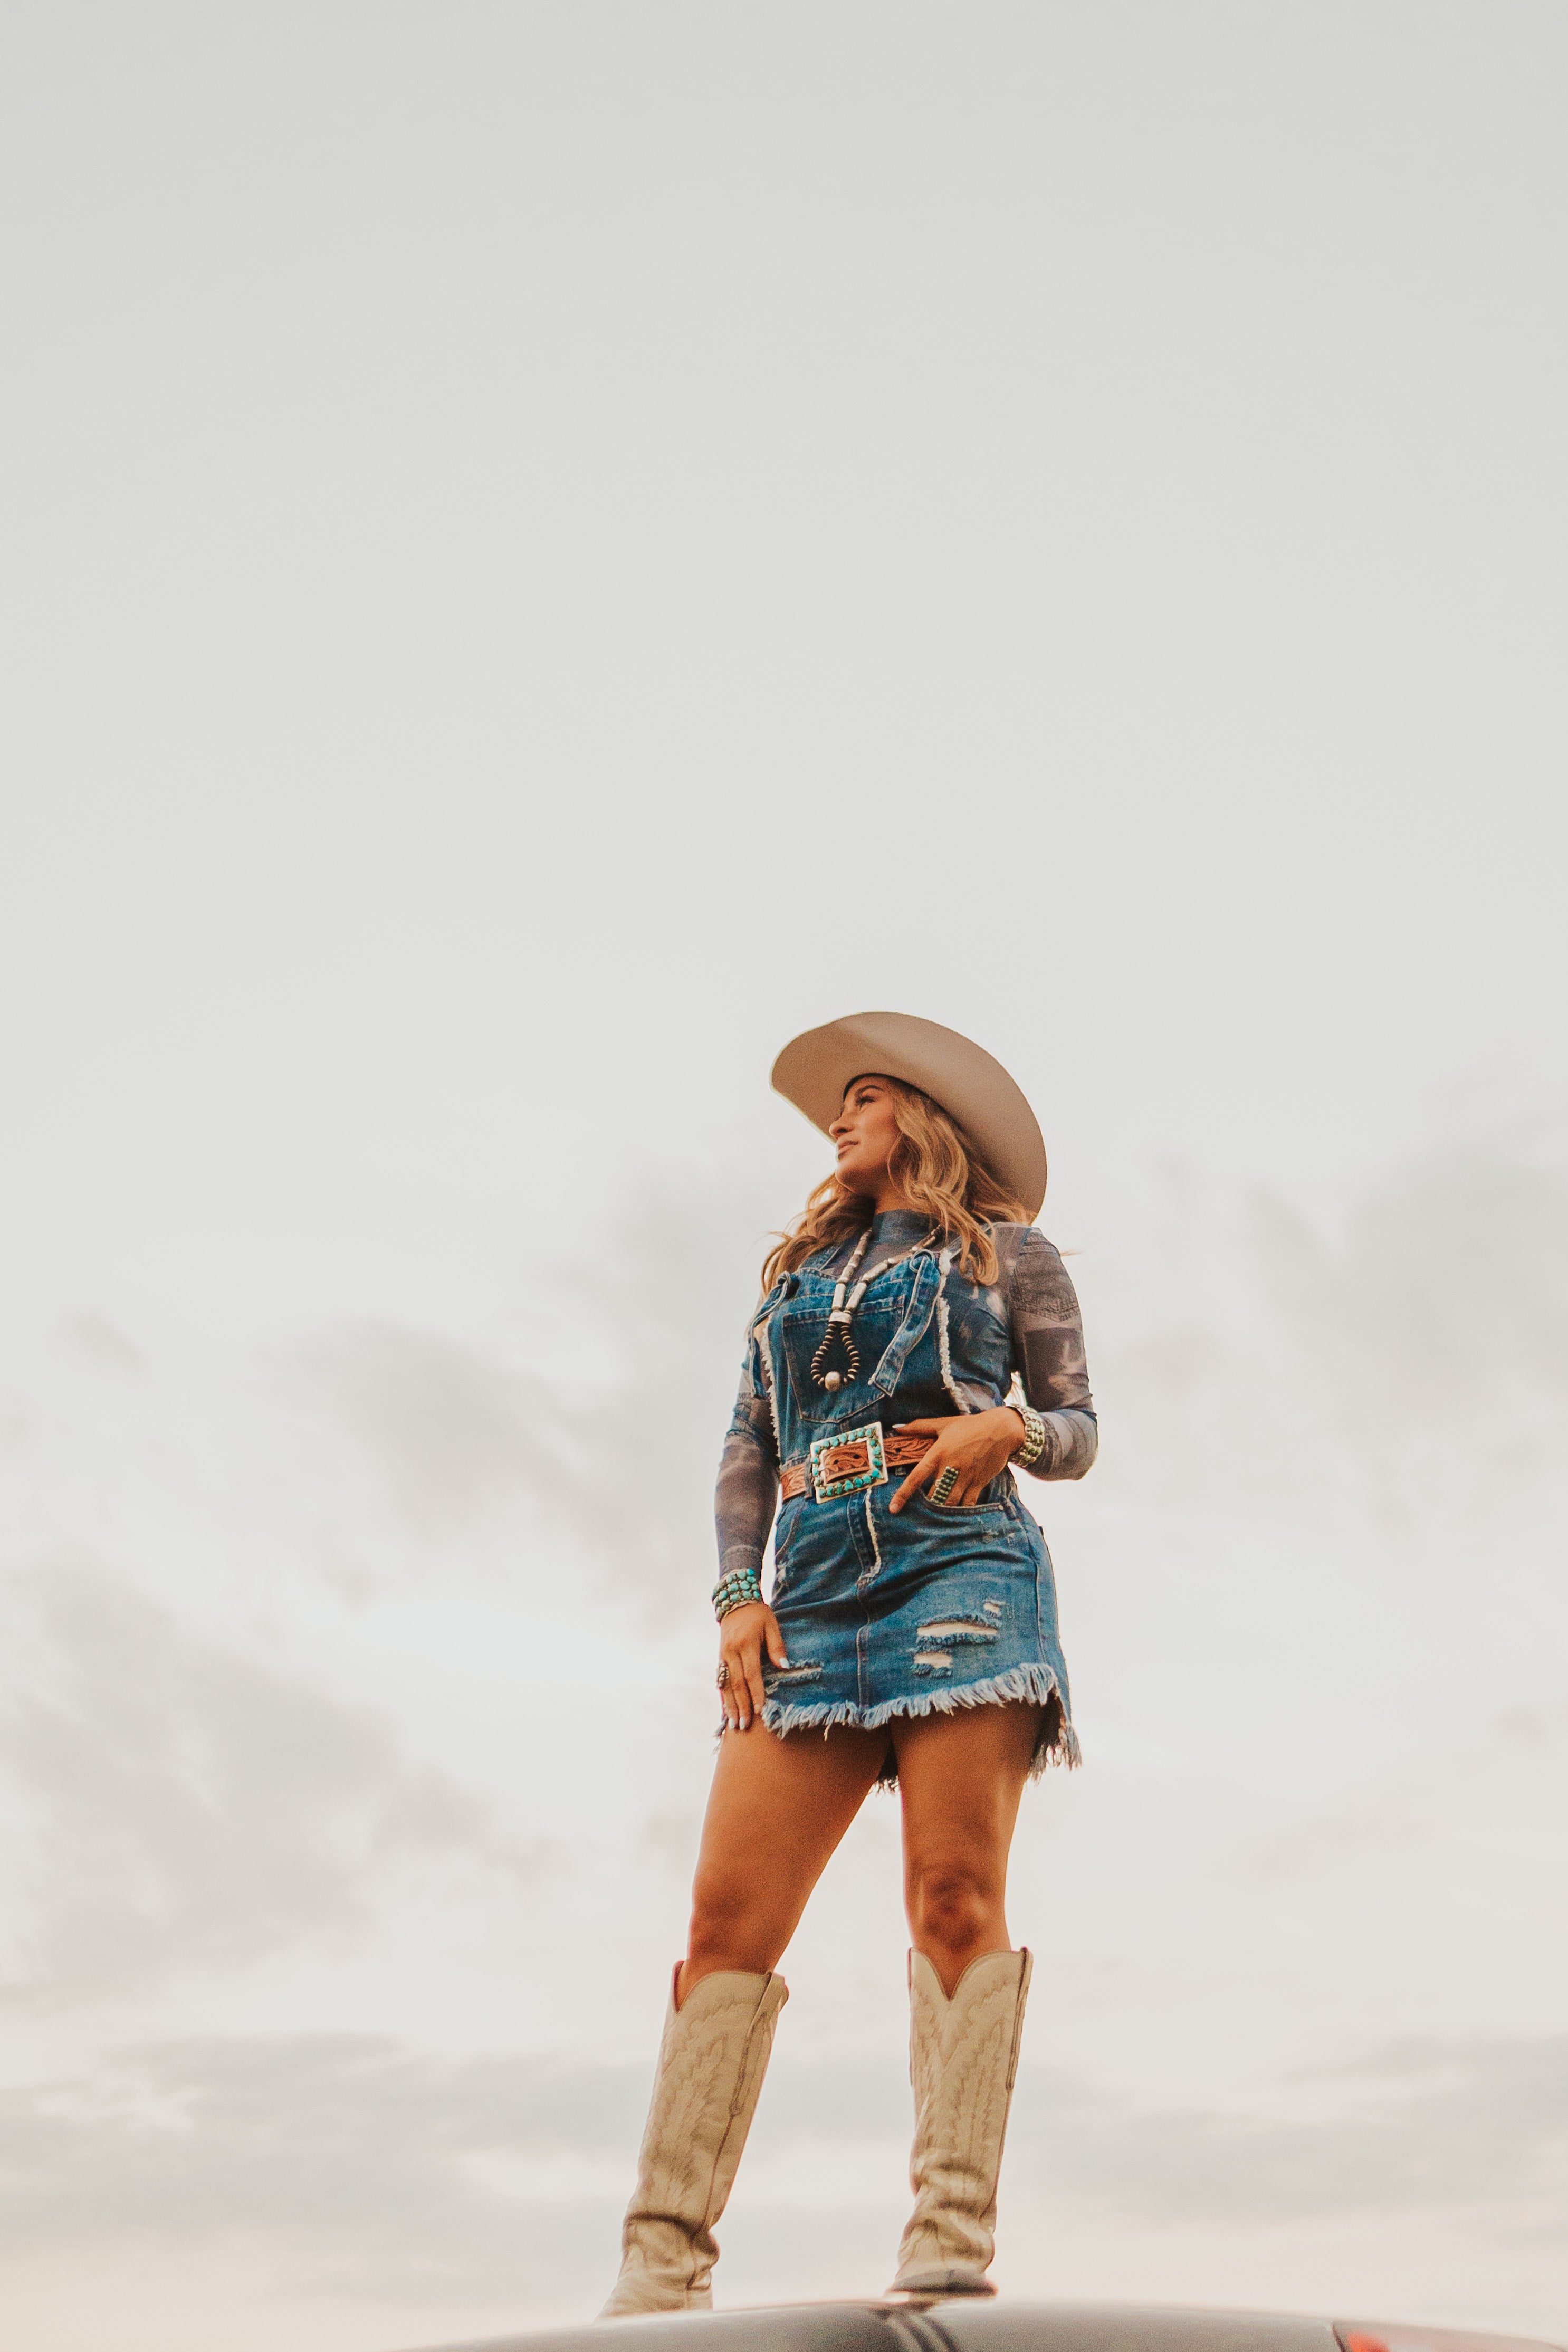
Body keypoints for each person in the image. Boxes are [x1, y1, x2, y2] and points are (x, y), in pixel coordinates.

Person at [599, 1011, 1097, 2318]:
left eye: (866, 1096)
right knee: (723, 1929)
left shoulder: (1013, 1257)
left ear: (924, 1117)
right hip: (807, 1601)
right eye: (840, 1103)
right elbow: (744, 1444)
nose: (840, 1116)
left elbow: (1082, 1429)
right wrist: (733, 1601)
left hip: (961, 1574)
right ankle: (659, 2272)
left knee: (949, 1895)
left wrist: (1012, 1427)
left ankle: (947, 2241)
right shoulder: (792, 1277)